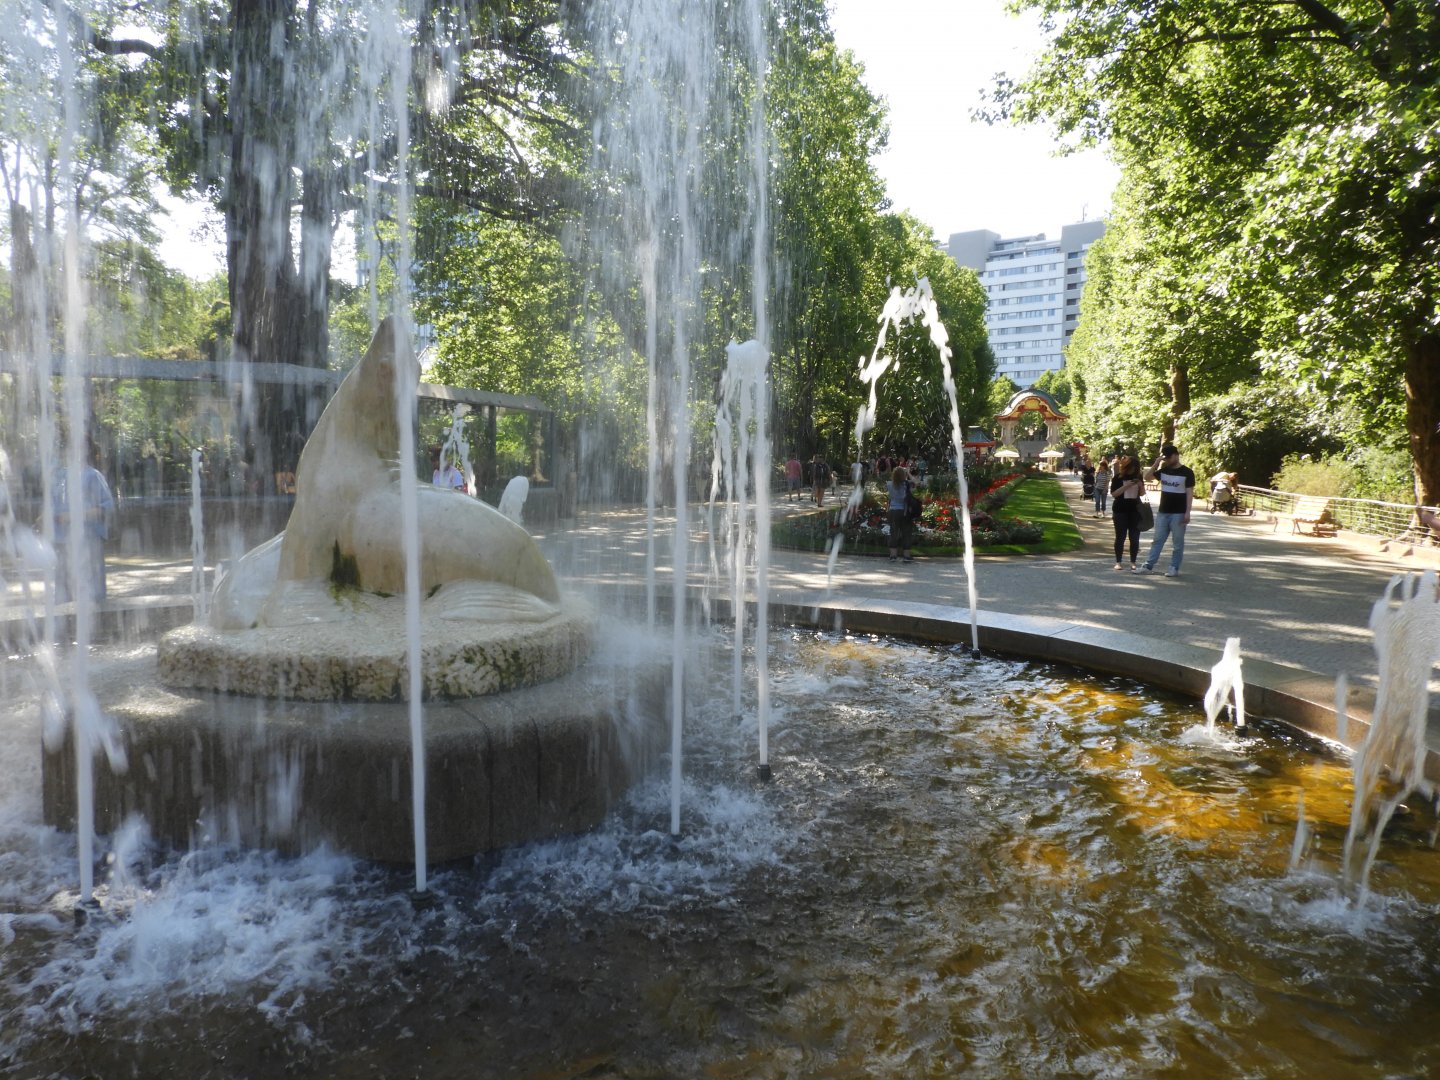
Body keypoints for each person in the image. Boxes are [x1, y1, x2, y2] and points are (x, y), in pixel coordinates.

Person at [51, 442, 115, 604]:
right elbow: (53, 505)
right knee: (63, 587)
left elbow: (105, 508)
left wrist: (73, 516)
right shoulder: (60, 476)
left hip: (88, 538)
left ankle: (98, 623)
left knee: (92, 589)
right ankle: (64, 623)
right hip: (62, 538)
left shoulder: (93, 475)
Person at [1137, 443, 1196, 577]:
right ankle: (1148, 565)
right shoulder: (1164, 471)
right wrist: (1156, 463)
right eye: (1166, 458)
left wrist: (1188, 512)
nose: (1168, 460)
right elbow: (1147, 477)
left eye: (1170, 457)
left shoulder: (1187, 472)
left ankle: (1174, 567)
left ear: (1176, 455)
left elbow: (1189, 493)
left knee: (1177, 542)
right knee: (1157, 540)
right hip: (1164, 511)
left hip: (1179, 512)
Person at [1110, 453, 1145, 571]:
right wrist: (1126, 486)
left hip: (1135, 510)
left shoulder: (1138, 477)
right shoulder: (1118, 478)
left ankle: (1133, 561)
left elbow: (1142, 494)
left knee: (1134, 537)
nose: (1133, 470)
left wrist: (1140, 486)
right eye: (1131, 467)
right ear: (1126, 467)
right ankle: (1118, 561)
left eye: (1135, 468)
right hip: (1120, 510)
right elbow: (1114, 494)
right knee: (1120, 536)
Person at [887, 465, 915, 564]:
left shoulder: (889, 484)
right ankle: (906, 556)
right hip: (904, 511)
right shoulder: (907, 484)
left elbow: (889, 497)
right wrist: (908, 473)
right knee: (906, 533)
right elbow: (917, 482)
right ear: (904, 475)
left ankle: (893, 555)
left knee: (893, 532)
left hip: (893, 510)